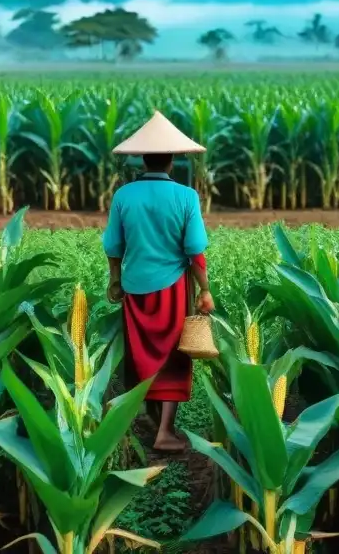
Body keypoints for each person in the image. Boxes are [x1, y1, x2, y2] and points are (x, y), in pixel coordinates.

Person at [102, 111, 214, 453]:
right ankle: (165, 430)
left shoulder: (124, 196)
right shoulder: (186, 197)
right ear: (171, 162)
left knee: (140, 354)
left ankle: (138, 421)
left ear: (144, 159)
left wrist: (115, 280)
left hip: (136, 289)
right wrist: (206, 290)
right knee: (173, 356)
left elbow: (113, 245)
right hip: (174, 289)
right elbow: (195, 251)